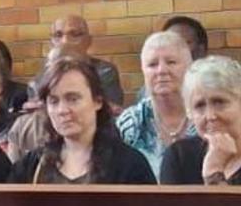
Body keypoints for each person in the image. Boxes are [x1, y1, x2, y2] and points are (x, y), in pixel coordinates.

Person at [10, 56, 154, 185]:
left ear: (97, 101)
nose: (62, 110)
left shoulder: (130, 166)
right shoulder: (31, 166)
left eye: (73, 99)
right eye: (54, 101)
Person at [116, 32, 195, 178]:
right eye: (152, 64)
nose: (161, 71)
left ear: (189, 67)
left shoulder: (205, 117)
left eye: (171, 62)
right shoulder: (131, 122)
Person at [161, 56, 241, 185]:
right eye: (200, 106)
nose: (210, 116)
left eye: (219, 102)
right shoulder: (179, 157)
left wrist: (214, 173)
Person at [45, 15, 124, 111]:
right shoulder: (45, 73)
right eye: (58, 35)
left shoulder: (104, 71)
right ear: (50, 43)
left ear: (88, 41)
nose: (65, 41)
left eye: (74, 35)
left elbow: (112, 110)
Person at [134, 16, 209, 103]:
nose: (161, 70)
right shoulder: (147, 92)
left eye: (181, 43)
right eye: (153, 64)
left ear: (201, 50)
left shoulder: (215, 85)